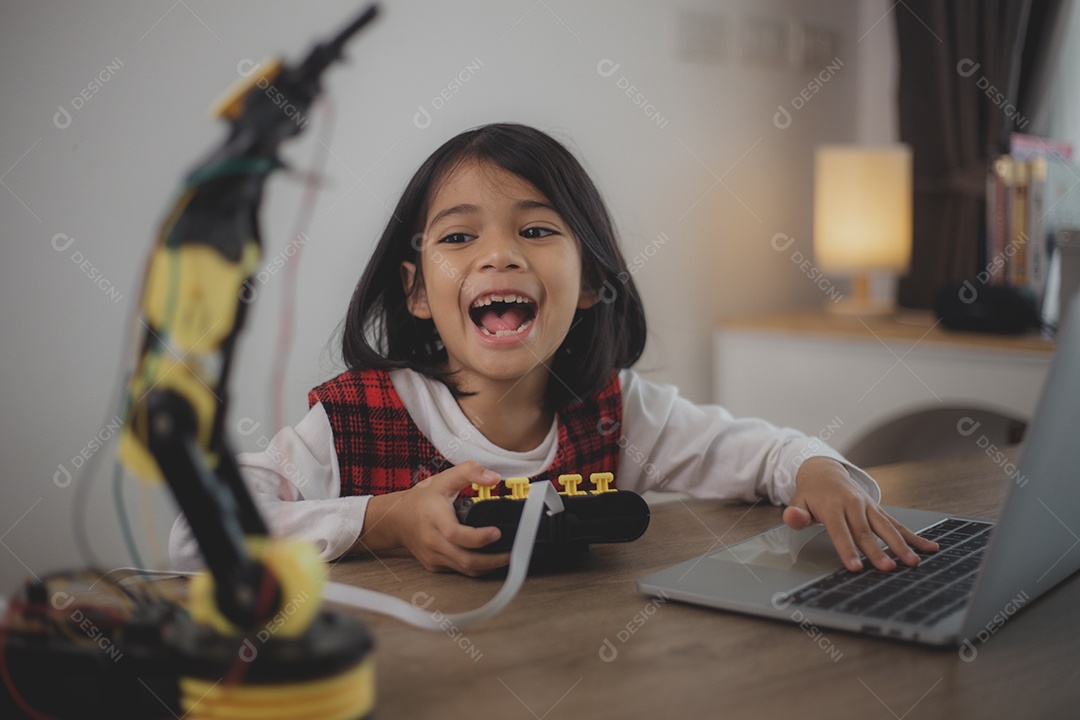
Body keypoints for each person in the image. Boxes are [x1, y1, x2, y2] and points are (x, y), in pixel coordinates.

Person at [169, 123, 937, 577]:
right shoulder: (353, 421)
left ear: (594, 280)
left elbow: (766, 454)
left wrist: (817, 471)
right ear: (416, 290)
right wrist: (382, 521)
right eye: (459, 237)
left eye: (535, 230)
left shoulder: (617, 413)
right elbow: (196, 536)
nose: (499, 254)